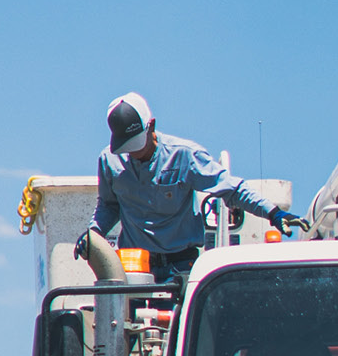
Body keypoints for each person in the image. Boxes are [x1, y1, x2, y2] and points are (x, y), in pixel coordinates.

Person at [85, 91, 307, 283]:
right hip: (135, 266)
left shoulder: (184, 156)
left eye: (136, 144)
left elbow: (231, 188)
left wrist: (273, 212)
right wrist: (93, 236)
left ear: (151, 125)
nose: (132, 153)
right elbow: (109, 205)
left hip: (181, 266)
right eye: (126, 147)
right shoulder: (109, 161)